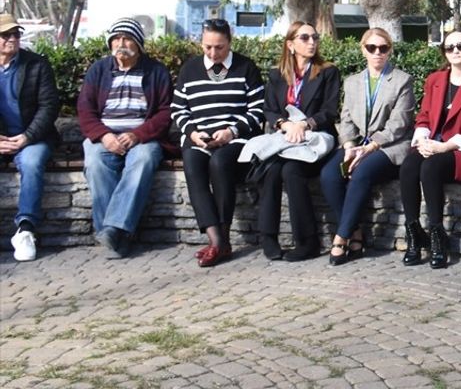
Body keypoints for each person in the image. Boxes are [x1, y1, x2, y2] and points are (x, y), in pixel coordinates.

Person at [239, 21, 340, 262]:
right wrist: (285, 125)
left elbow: (330, 110)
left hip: (314, 142)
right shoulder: (277, 74)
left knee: (292, 172)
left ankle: (308, 242)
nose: (312, 42)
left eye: (314, 37)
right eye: (305, 38)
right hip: (285, 139)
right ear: (290, 44)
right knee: (272, 171)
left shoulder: (327, 71)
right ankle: (268, 237)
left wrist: (304, 124)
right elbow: (269, 109)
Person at [171, 18, 265, 267]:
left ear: (230, 42)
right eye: (207, 47)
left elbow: (258, 110)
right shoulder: (189, 69)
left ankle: (221, 239)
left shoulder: (246, 67)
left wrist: (232, 131)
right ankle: (216, 240)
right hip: (198, 138)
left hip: (236, 138)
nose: (213, 53)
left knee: (221, 163)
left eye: (219, 47)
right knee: (192, 165)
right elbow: (178, 109)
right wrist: (192, 133)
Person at [78, 18, 174, 259]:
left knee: (143, 159)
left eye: (127, 38)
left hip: (142, 137)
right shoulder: (99, 70)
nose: (121, 44)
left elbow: (165, 113)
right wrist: (104, 136)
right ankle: (117, 234)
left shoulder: (156, 71)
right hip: (104, 135)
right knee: (95, 162)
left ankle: (113, 231)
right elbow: (85, 109)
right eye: (116, 39)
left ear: (139, 44)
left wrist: (137, 135)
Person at [401, 27, 461, 269]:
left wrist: (443, 147)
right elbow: (423, 116)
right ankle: (413, 233)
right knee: (409, 165)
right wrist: (423, 141)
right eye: (450, 47)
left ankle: (437, 236)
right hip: (433, 143)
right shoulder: (435, 80)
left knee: (430, 168)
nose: (455, 51)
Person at [320, 28, 416, 266]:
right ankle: (356, 232)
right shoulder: (352, 82)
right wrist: (350, 145)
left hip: (388, 147)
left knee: (360, 173)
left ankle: (341, 237)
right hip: (358, 145)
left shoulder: (402, 80)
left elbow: (399, 124)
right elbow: (346, 119)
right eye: (372, 48)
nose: (377, 53)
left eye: (383, 48)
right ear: (363, 50)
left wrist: (371, 147)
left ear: (390, 50)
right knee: (330, 174)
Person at [0, 14, 58, 261]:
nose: (12, 39)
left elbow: (49, 106)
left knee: (33, 163)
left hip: (33, 137)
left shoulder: (37, 64)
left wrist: (27, 136)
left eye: (16, 34)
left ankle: (26, 229)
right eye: (6, 35)